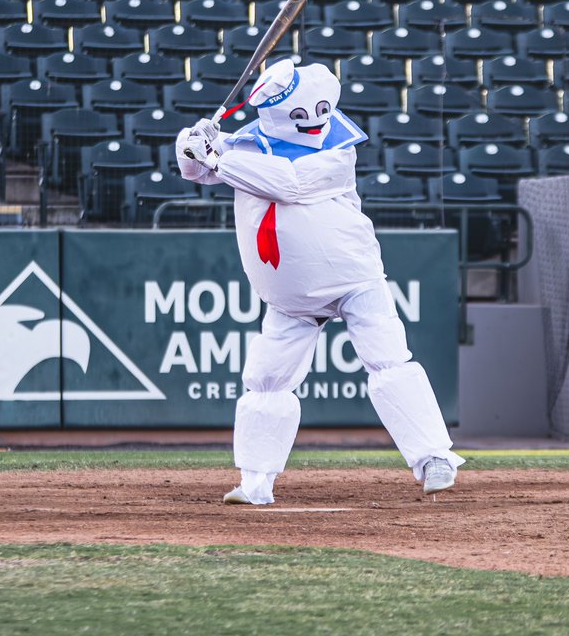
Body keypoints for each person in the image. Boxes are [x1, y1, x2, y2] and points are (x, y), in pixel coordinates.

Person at [174, 58, 463, 505]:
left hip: (354, 277)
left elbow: (287, 184)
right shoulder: (246, 146)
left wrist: (218, 155)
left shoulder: (337, 149)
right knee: (266, 380)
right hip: (290, 297)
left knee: (389, 362)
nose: (314, 123)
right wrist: (192, 145)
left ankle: (434, 459)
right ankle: (256, 482)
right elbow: (198, 171)